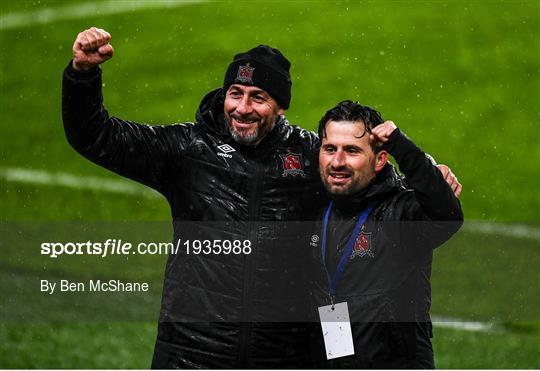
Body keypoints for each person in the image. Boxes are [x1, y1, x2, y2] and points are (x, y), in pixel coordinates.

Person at [63, 27, 461, 368]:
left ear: (281, 106)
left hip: (282, 355)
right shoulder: (188, 150)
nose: (243, 108)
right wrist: (83, 75)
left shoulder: (309, 155)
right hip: (191, 352)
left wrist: (424, 175)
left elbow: (358, 175)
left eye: (258, 96)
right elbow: (95, 137)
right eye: (235, 93)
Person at [308, 100, 463, 368]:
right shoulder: (315, 204)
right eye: (330, 149)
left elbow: (446, 216)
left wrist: (408, 152)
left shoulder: (401, 212)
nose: (338, 161)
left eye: (352, 151)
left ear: (380, 159)